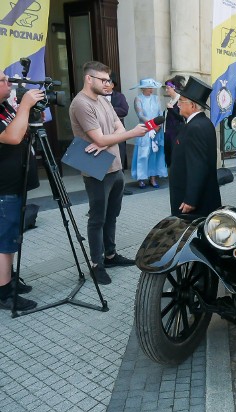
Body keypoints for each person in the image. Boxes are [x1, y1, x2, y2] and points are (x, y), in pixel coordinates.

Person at [69, 61, 148, 285]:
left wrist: (104, 143)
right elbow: (110, 135)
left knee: (112, 214)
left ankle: (110, 255)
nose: (108, 84)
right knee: (97, 218)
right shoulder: (81, 104)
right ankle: (97, 264)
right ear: (89, 79)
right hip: (95, 170)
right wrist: (116, 137)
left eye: (108, 80)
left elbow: (118, 128)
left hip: (114, 166)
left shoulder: (104, 99)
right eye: (103, 80)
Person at [0, 70, 44, 310]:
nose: (9, 82)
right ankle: (4, 293)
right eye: (3, 79)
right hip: (3, 190)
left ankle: (9, 279)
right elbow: (14, 137)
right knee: (4, 243)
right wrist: (26, 105)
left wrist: (29, 111)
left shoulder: (5, 107)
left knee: (11, 239)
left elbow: (23, 128)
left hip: (15, 185)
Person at [169, 76, 221, 217]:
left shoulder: (195, 127)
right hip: (199, 195)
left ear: (192, 105)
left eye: (181, 101)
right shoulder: (202, 122)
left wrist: (191, 200)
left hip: (193, 201)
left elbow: (198, 165)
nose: (178, 104)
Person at [131, 78, 168, 188]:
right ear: (143, 88)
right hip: (145, 130)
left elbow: (160, 113)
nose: (151, 89)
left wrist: (158, 125)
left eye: (152, 87)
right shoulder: (138, 99)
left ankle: (153, 177)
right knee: (143, 154)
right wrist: (152, 126)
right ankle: (141, 178)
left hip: (157, 130)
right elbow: (141, 115)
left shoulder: (156, 99)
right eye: (148, 87)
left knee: (155, 154)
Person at [104, 73, 132, 195]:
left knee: (119, 158)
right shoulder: (97, 96)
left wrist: (108, 110)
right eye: (103, 82)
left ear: (113, 85)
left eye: (108, 82)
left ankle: (121, 187)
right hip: (103, 133)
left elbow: (124, 110)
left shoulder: (119, 96)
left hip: (118, 132)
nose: (105, 84)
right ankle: (106, 187)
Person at [163, 75, 186, 167]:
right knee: (169, 157)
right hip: (168, 133)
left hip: (177, 134)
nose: (166, 90)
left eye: (168, 88)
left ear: (174, 88)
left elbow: (182, 118)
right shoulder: (171, 101)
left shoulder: (180, 100)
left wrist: (171, 109)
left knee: (176, 157)